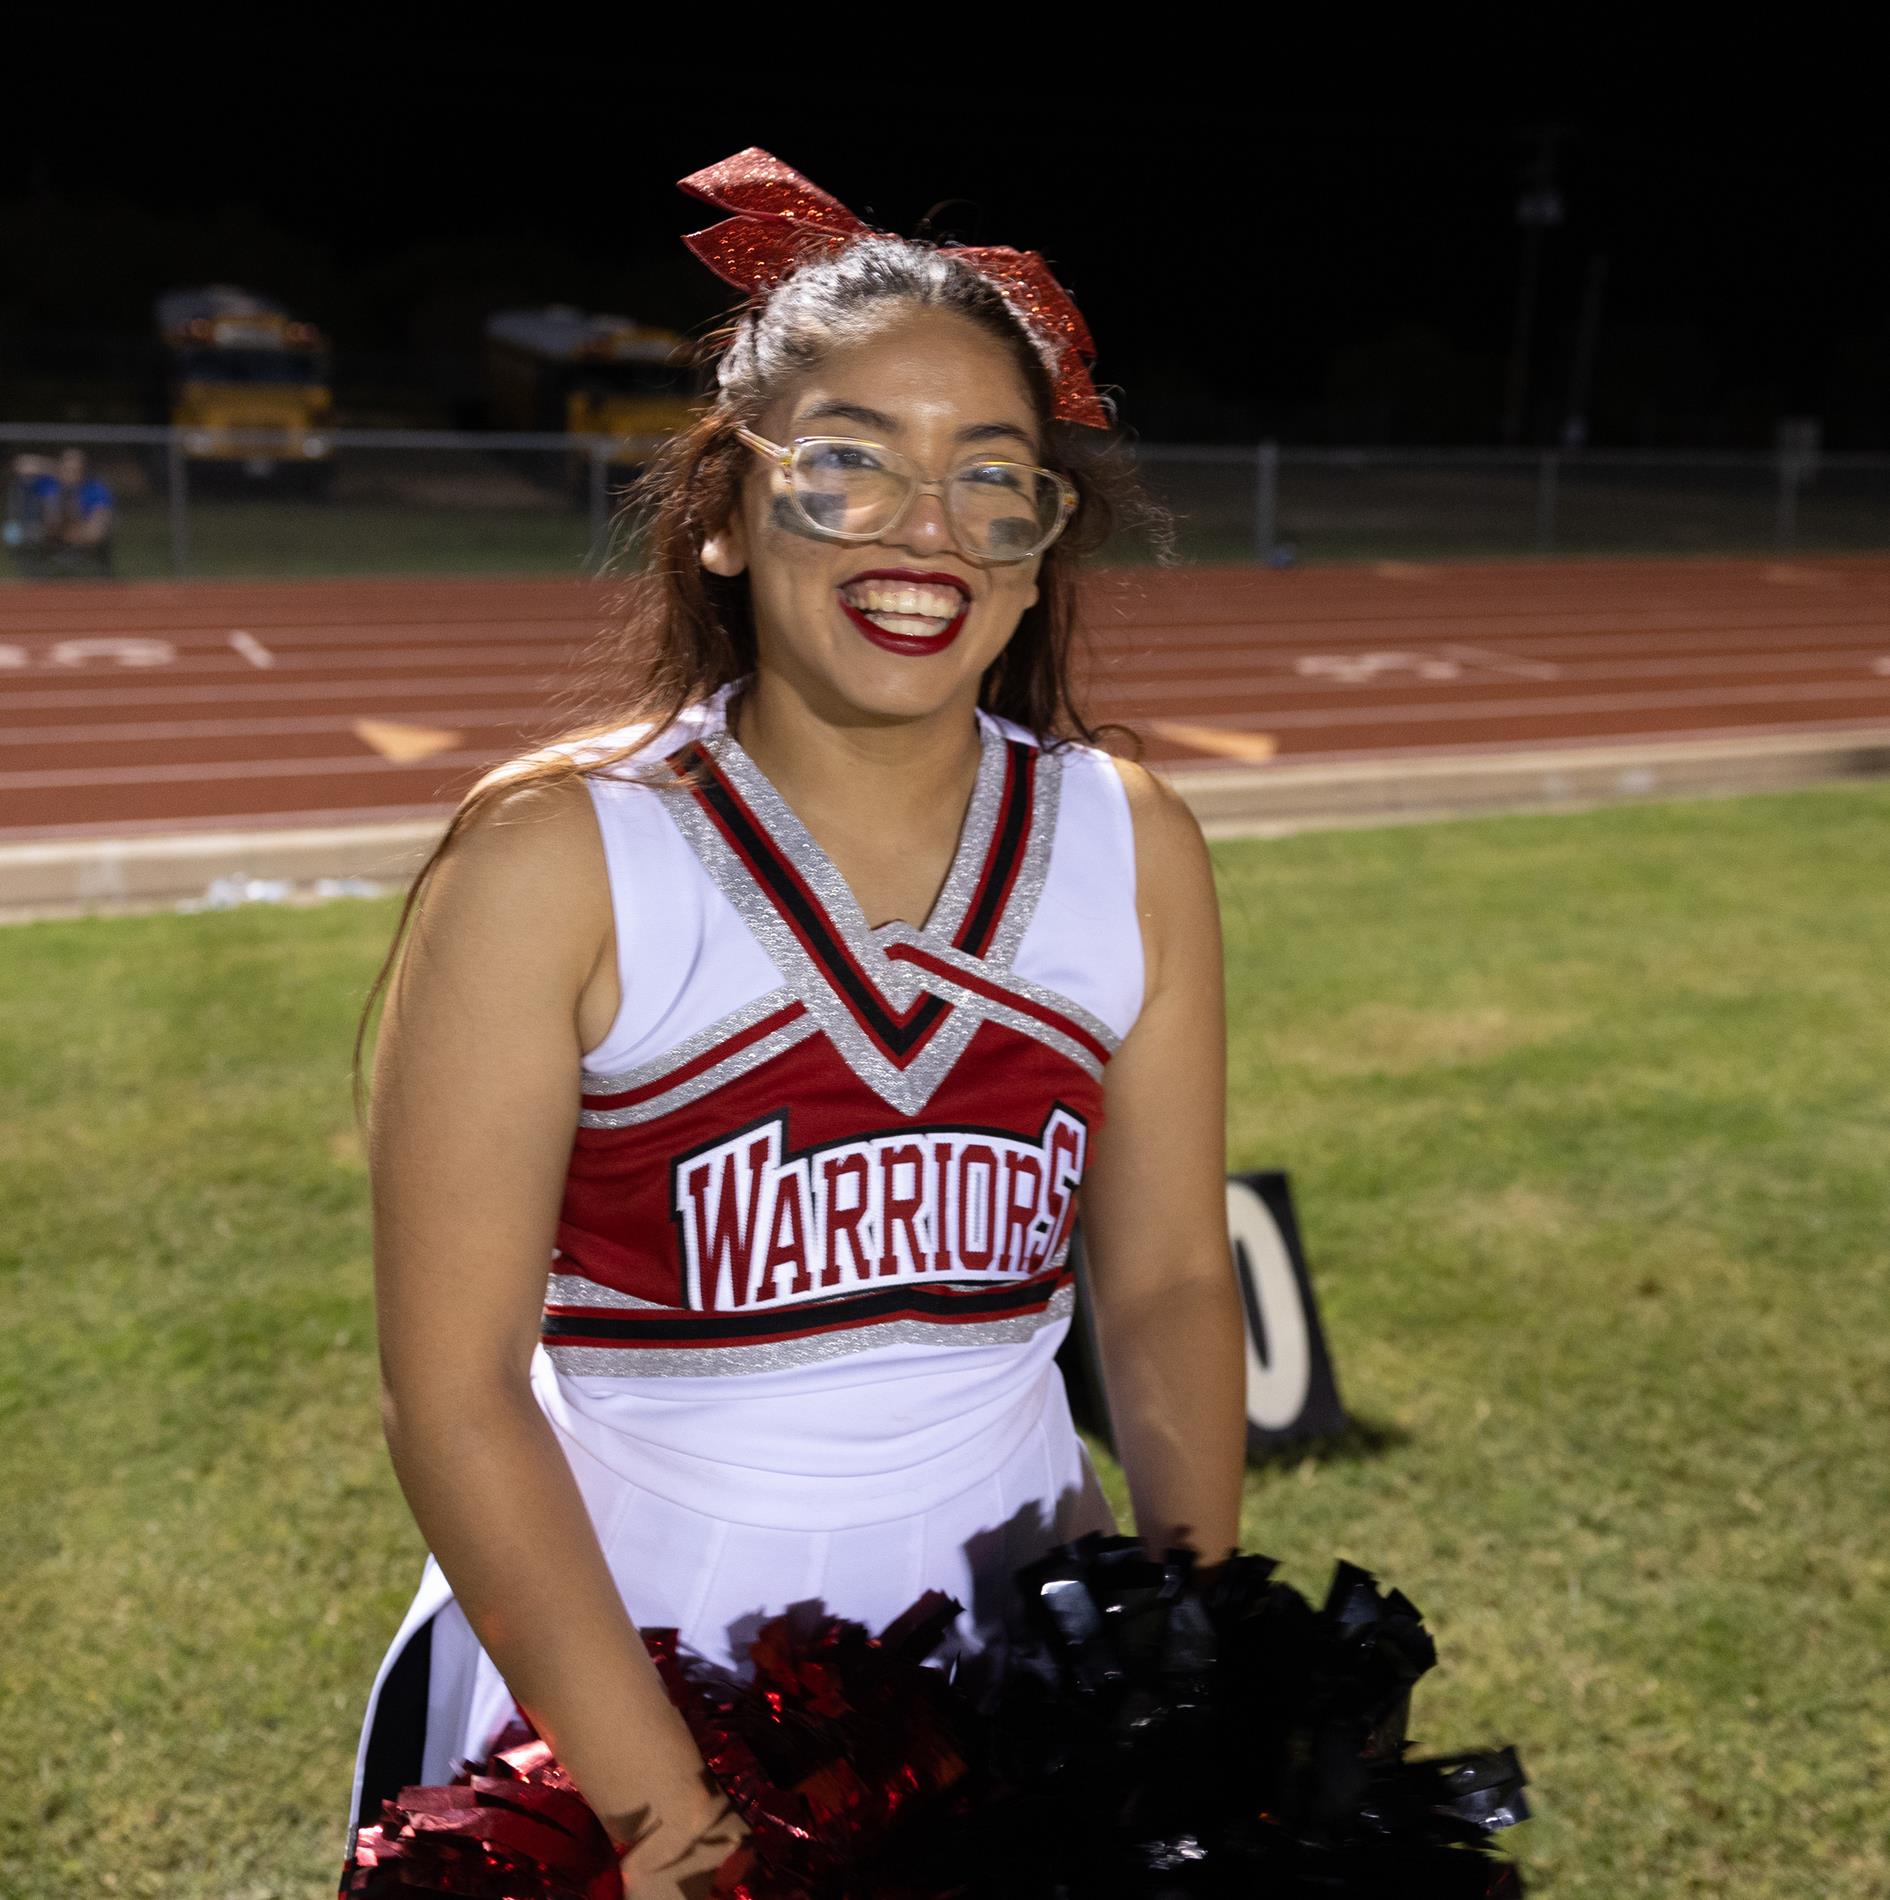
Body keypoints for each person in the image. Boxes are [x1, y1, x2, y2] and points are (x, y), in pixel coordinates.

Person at [339, 149, 1247, 1898]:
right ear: (724, 512)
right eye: (848, 464)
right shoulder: (564, 854)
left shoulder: (1124, 840)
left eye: (994, 481)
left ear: (1041, 547)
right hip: (626, 1651)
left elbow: (1162, 1285)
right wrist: (666, 1826)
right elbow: (450, 1396)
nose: (926, 529)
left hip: (1015, 1628)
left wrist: (1178, 1648)